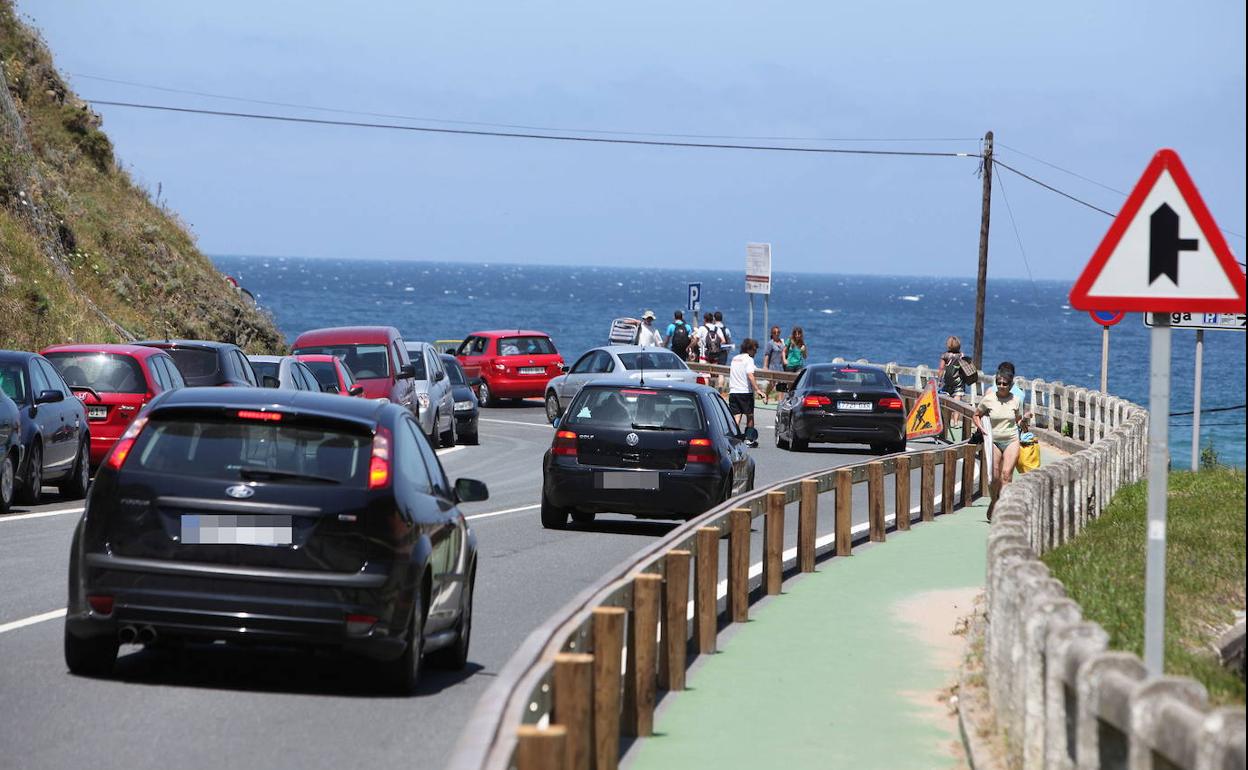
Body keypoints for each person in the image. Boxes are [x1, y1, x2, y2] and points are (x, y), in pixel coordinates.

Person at [976, 366, 1025, 520]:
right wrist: (981, 428)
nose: (1002, 386)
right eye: (999, 383)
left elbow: (1018, 419)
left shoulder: (1016, 400)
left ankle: (1003, 509)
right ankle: (994, 501)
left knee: (1006, 475)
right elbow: (976, 415)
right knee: (994, 478)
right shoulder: (989, 398)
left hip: (1011, 439)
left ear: (1010, 385)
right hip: (994, 440)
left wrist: (1025, 423)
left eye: (1005, 384)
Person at [728, 338, 764, 446]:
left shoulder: (735, 358)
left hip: (733, 391)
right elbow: (750, 375)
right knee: (750, 415)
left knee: (736, 416)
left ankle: (734, 437)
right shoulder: (748, 359)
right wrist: (758, 390)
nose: (755, 352)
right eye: (755, 350)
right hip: (745, 392)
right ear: (750, 349)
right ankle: (749, 438)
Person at [936, 335, 975, 400]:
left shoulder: (945, 355)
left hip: (948, 382)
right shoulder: (961, 355)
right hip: (959, 382)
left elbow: (941, 368)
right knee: (957, 400)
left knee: (944, 397)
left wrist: (939, 380)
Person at [762, 325, 786, 403]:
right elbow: (767, 355)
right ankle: (766, 394)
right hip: (773, 366)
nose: (776, 334)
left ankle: (780, 401)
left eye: (778, 332)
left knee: (781, 384)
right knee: (772, 384)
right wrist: (765, 366)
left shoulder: (782, 343)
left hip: (781, 366)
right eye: (775, 332)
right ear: (772, 334)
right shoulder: (770, 343)